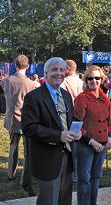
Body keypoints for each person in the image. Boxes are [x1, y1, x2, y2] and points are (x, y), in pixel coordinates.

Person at [21, 57, 81, 205]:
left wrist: (76, 131)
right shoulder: (33, 97)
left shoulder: (66, 95)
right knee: (48, 200)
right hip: (47, 159)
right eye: (54, 70)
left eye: (62, 70)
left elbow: (68, 120)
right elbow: (29, 128)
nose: (59, 73)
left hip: (67, 156)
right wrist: (58, 136)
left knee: (65, 198)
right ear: (46, 73)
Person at [74, 65, 111, 205]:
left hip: (102, 144)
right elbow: (77, 125)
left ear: (102, 79)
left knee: (96, 177)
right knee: (84, 179)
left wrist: (109, 137)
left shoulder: (106, 99)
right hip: (86, 144)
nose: (94, 81)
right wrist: (91, 141)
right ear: (86, 80)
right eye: (90, 78)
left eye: (97, 78)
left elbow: (110, 121)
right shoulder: (81, 99)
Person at [1, 54, 37, 196]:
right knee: (28, 151)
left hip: (12, 120)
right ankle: (25, 177)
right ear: (27, 66)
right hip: (26, 121)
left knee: (13, 147)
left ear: (15, 65)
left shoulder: (6, 81)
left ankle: (11, 173)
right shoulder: (32, 84)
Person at [61, 59, 84, 182]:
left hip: (70, 116)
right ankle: (79, 172)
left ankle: (74, 174)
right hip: (82, 116)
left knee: (71, 145)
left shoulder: (64, 82)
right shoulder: (81, 82)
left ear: (68, 69)